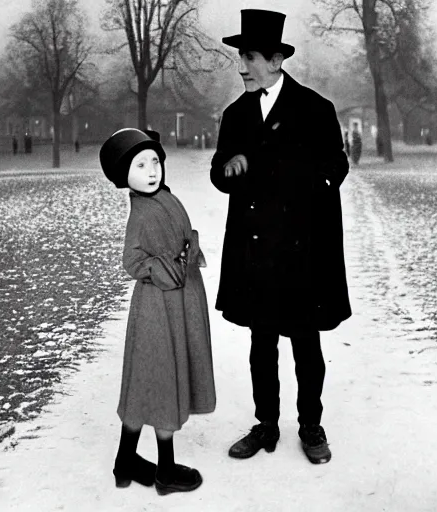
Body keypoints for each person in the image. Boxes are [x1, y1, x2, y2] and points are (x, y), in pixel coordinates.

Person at [210, 9, 351, 465]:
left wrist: (310, 185)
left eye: (249, 57)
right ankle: (266, 424)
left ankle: (311, 425)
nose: (242, 67)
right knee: (261, 342)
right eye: (240, 57)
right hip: (256, 252)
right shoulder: (235, 115)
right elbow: (219, 171)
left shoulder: (315, 109)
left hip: (302, 250)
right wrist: (229, 171)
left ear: (275, 59)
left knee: (306, 342)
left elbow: (337, 165)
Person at [99, 128, 216, 495]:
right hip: (158, 308)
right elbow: (131, 260)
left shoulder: (164, 197)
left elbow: (180, 237)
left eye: (155, 162)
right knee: (162, 377)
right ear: (124, 176)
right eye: (140, 165)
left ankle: (125, 461)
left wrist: (187, 251)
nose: (152, 171)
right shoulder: (142, 212)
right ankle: (165, 471)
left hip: (178, 302)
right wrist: (162, 268)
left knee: (147, 381)